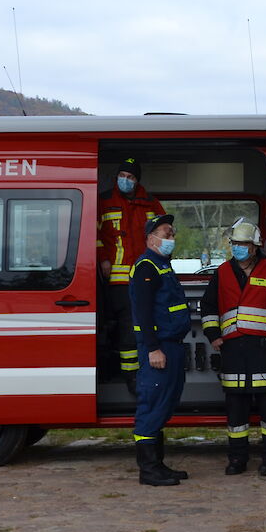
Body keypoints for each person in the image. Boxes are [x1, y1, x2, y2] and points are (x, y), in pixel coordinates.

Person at [200, 221, 266, 476]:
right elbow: (208, 306)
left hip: (264, 350)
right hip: (233, 350)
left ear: (255, 247)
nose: (238, 248)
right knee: (236, 409)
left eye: (243, 244)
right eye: (234, 244)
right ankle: (237, 460)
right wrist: (213, 335)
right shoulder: (222, 272)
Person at [129, 214, 191, 486]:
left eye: (172, 234)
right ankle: (149, 470)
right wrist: (153, 349)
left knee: (164, 405)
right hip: (159, 348)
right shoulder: (146, 267)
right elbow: (142, 313)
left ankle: (159, 465)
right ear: (151, 238)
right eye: (166, 234)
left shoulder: (162, 264)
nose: (171, 238)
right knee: (151, 407)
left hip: (172, 346)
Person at [98, 157, 164, 390]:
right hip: (117, 279)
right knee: (128, 325)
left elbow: (164, 234)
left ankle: (148, 370)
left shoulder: (150, 203)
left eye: (131, 177)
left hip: (145, 277)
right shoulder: (103, 201)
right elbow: (94, 236)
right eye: (122, 175)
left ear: (137, 181)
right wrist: (103, 258)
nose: (125, 180)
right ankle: (130, 376)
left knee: (146, 323)